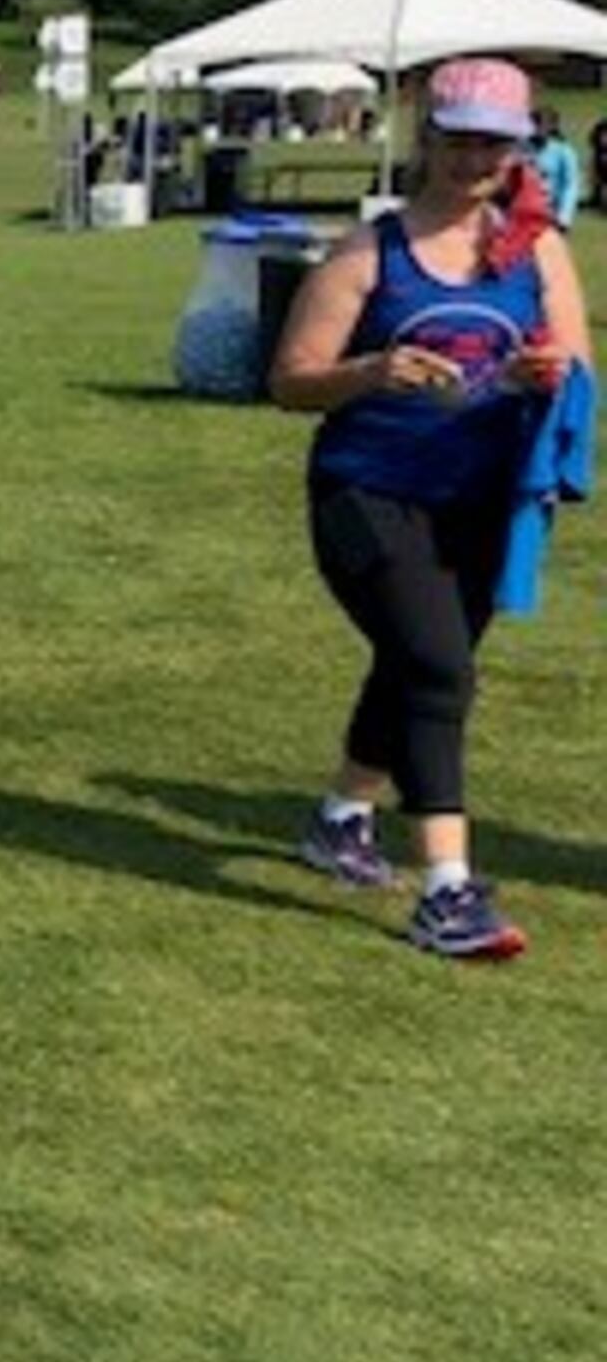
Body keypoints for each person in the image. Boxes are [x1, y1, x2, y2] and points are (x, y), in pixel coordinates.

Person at [268, 55, 589, 959]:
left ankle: (340, 820)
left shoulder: (539, 251)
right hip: (366, 492)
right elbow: (290, 383)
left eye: (495, 142)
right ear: (427, 137)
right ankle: (449, 893)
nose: (474, 157)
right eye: (458, 138)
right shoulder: (371, 252)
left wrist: (542, 373)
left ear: (520, 150)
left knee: (416, 665)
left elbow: (577, 370)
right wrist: (372, 371)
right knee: (440, 666)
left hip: (485, 504)